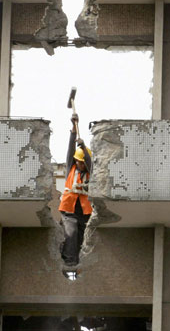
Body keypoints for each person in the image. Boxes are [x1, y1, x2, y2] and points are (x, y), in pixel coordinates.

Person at [59, 114, 93, 267]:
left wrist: (84, 148)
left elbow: (90, 163)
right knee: (70, 234)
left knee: (81, 238)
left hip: (85, 212)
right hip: (69, 210)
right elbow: (70, 149)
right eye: (77, 162)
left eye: (81, 162)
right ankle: (68, 261)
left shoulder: (91, 173)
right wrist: (74, 128)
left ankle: (79, 262)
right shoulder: (70, 168)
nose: (79, 164)